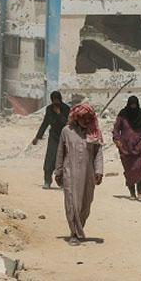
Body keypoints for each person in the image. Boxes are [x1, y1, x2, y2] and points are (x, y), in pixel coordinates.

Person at [54, 103, 104, 246]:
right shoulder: (66, 131)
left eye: (89, 118)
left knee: (85, 204)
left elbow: (98, 153)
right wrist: (58, 172)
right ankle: (74, 233)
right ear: (76, 117)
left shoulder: (94, 132)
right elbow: (60, 153)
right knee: (72, 203)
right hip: (70, 173)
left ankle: (79, 226)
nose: (86, 121)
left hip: (88, 174)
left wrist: (99, 171)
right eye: (83, 118)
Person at [32, 91, 71, 189]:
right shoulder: (49, 109)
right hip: (53, 136)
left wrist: (58, 113)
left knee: (63, 159)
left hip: (64, 136)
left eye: (57, 100)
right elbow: (45, 123)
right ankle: (47, 180)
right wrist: (37, 137)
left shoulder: (66, 109)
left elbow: (66, 123)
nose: (56, 102)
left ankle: (62, 181)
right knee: (50, 157)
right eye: (54, 100)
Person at [112, 96, 141, 200]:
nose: (133, 107)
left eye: (135, 105)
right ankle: (132, 193)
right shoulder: (123, 115)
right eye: (131, 104)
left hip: (139, 147)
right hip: (125, 148)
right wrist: (117, 140)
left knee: (140, 168)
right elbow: (116, 128)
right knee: (129, 170)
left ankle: (140, 192)